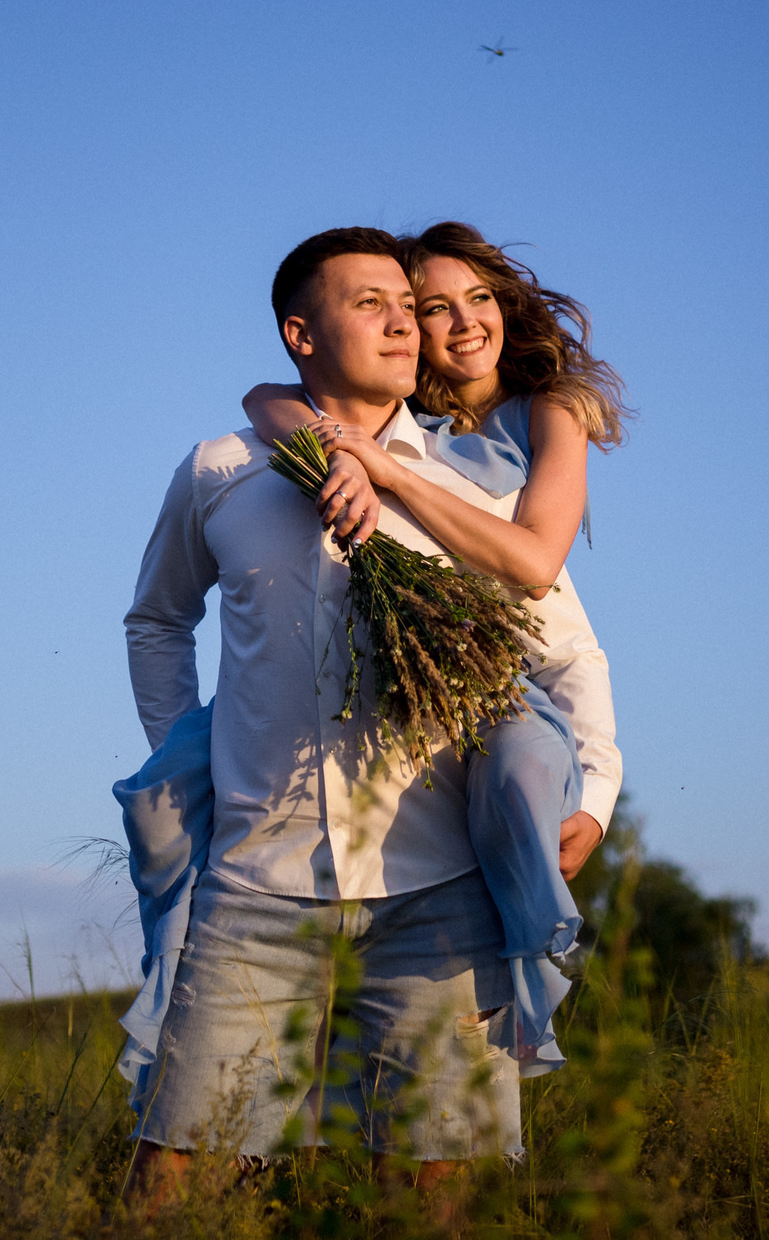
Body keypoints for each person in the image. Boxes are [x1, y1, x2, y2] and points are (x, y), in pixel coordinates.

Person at [119, 227, 621, 1204]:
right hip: (254, 881)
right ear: (298, 333)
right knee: (174, 1169)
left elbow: (565, 650)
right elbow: (156, 618)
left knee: (432, 1187)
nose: (403, 320)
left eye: (411, 303)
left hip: (435, 884)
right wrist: (191, 756)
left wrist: (593, 789)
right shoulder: (223, 468)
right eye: (370, 301)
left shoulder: (469, 476)